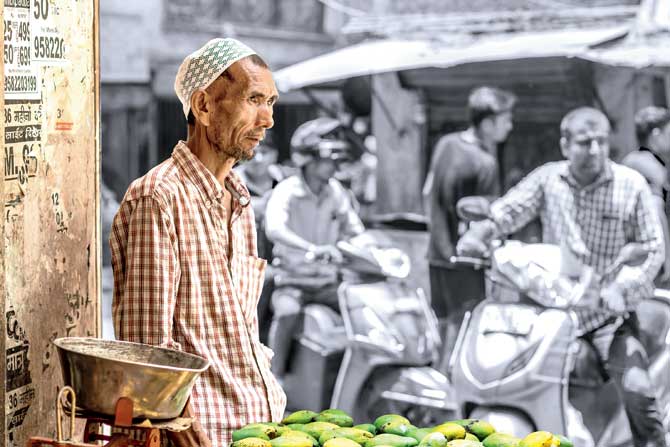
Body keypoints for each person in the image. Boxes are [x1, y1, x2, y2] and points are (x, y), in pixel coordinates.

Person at [110, 38, 285, 447]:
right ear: (204, 106)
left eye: (271, 102)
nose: (268, 119)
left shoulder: (241, 200)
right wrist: (191, 437)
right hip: (203, 436)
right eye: (254, 99)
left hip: (259, 427)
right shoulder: (158, 197)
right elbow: (150, 352)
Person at [457, 107, 667, 447]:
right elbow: (508, 212)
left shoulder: (631, 185)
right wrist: (478, 234)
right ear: (565, 145)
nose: (595, 150)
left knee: (638, 391)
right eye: (585, 143)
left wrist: (620, 287)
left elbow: (652, 248)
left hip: (607, 318)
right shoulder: (548, 179)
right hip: (552, 314)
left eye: (601, 142)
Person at [264, 117, 365, 380]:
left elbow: (356, 231)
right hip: (292, 281)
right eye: (328, 159)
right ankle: (274, 379)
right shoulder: (287, 191)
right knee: (288, 313)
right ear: (308, 160)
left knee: (361, 309)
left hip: (327, 284)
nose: (334, 166)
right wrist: (310, 247)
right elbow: (274, 229)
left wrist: (356, 249)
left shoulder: (336, 192)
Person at [422, 86, 516, 355]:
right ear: (487, 123)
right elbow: (483, 219)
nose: (509, 126)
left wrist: (438, 231)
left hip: (436, 255)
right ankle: (453, 391)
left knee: (439, 326)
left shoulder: (446, 143)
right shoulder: (485, 162)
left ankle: (433, 382)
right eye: (505, 120)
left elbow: (427, 192)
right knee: (466, 328)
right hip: (465, 261)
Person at [621, 106, 670, 285]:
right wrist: (667, 260)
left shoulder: (651, 162)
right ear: (656, 135)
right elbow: (655, 208)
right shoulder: (643, 163)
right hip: (652, 265)